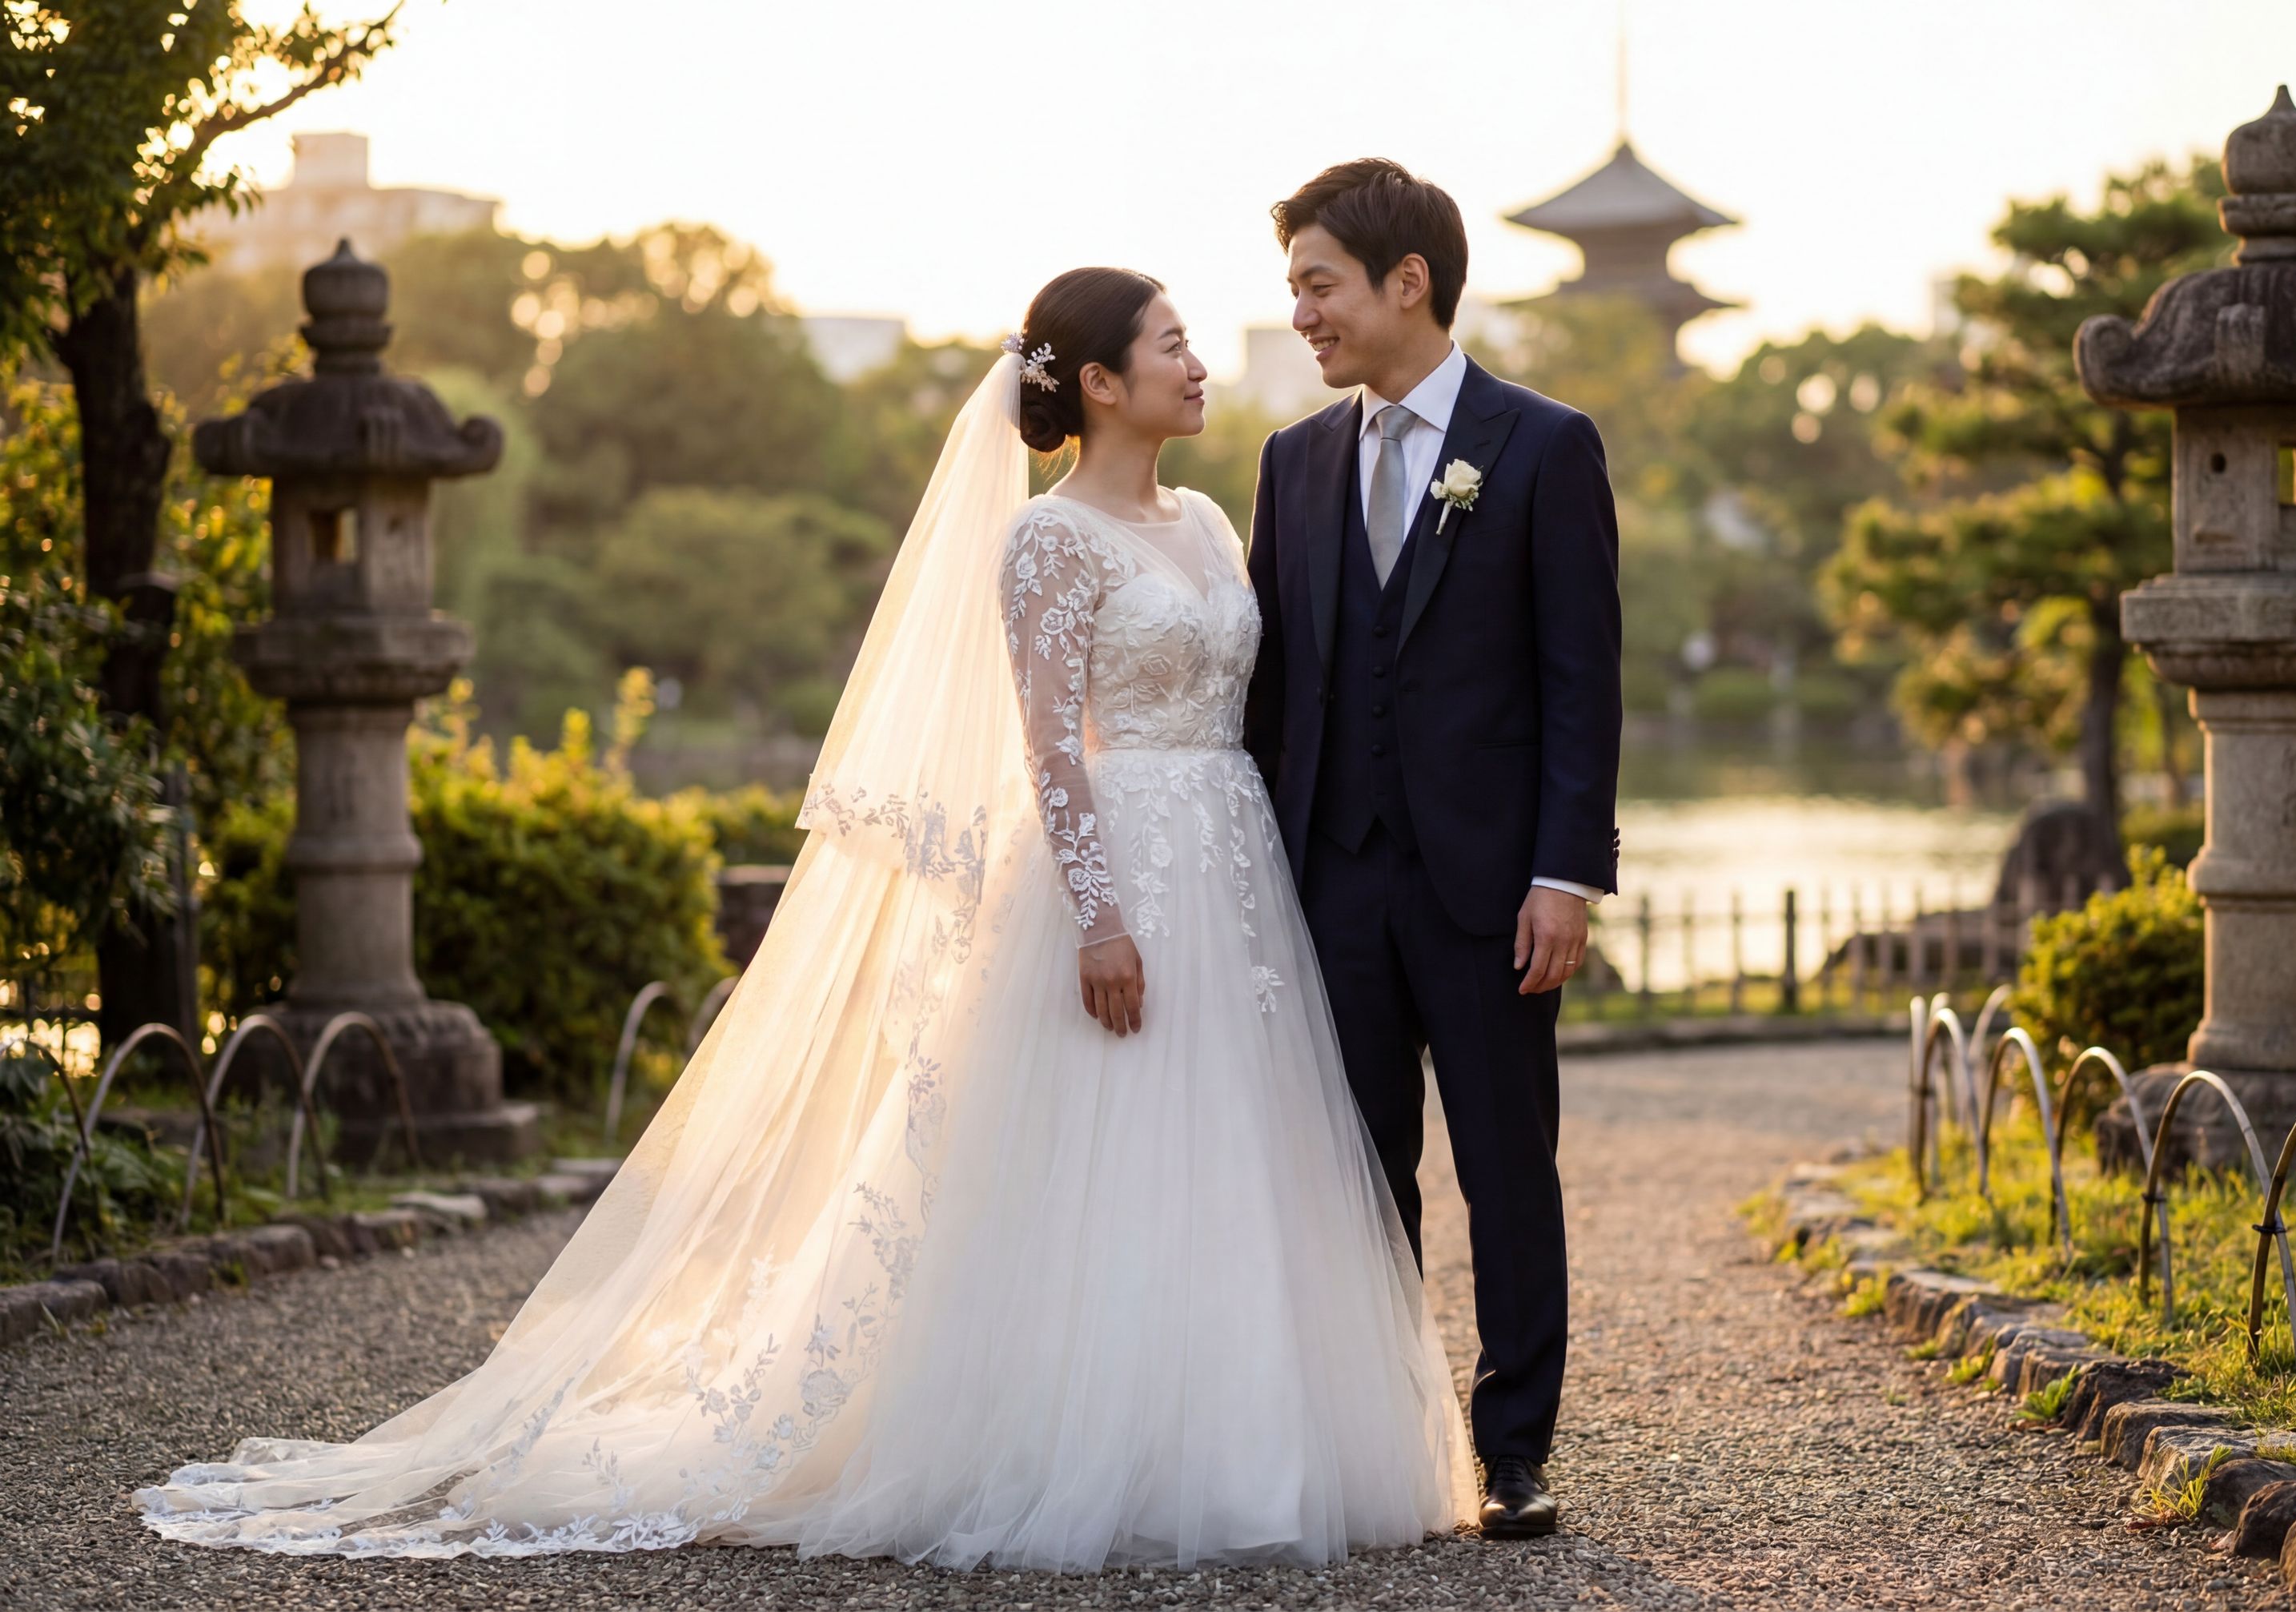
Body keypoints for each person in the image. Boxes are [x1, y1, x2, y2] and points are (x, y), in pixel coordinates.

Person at [134, 265, 1475, 1570]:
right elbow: (1049, 751)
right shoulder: (1046, 540)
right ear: (1105, 381)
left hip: (1231, 863)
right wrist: (1099, 916)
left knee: (1239, 1145)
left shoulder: (1206, 525)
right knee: (1101, 1149)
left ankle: (1247, 1437)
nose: (1199, 362)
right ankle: (1069, 1443)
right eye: (1174, 342)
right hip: (1118, 864)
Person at [1243, 159, 1624, 1538]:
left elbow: (1584, 678)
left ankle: (1513, 1449)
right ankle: (1378, 1446)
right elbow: (1271, 692)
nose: (1301, 314)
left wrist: (1566, 872)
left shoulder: (1543, 444)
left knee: (1508, 1171)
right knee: (1353, 1170)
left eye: (1318, 283)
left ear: (1410, 282)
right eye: (1294, 288)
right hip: (1333, 881)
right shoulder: (1291, 464)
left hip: (1492, 891)